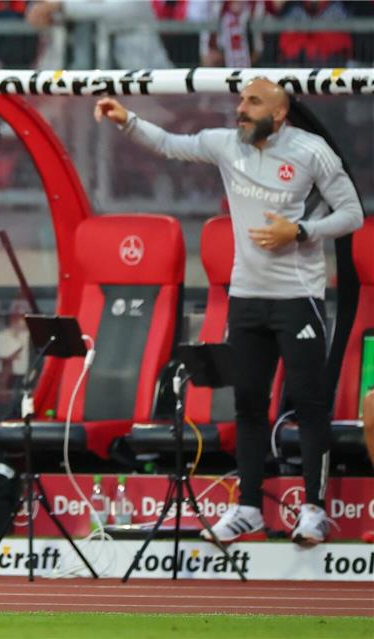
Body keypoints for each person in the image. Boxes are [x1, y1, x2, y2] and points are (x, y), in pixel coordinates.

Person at [94, 78, 363, 546]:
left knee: (309, 402)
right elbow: (170, 145)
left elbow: (352, 214)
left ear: (278, 114)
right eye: (240, 100)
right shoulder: (226, 145)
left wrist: (298, 232)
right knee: (249, 405)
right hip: (246, 297)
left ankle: (315, 510)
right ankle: (248, 508)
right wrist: (127, 121)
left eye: (253, 102)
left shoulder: (311, 151)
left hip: (298, 298)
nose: (241, 108)